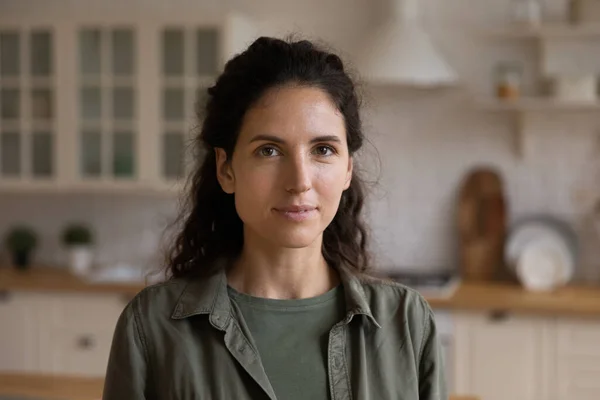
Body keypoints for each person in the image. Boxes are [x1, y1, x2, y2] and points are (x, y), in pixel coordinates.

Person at [103, 36, 446, 400]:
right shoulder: (151, 327)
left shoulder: (408, 323)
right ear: (226, 169)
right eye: (269, 150)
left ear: (347, 169)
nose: (299, 181)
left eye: (323, 150)